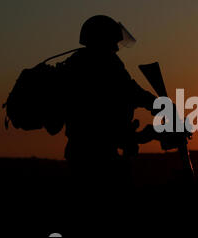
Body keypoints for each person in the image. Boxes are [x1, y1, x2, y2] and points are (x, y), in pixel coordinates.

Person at [59, 15, 157, 196]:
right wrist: (158, 104)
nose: (116, 48)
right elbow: (130, 90)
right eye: (113, 42)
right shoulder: (102, 63)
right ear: (102, 40)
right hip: (97, 154)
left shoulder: (78, 62)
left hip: (83, 151)